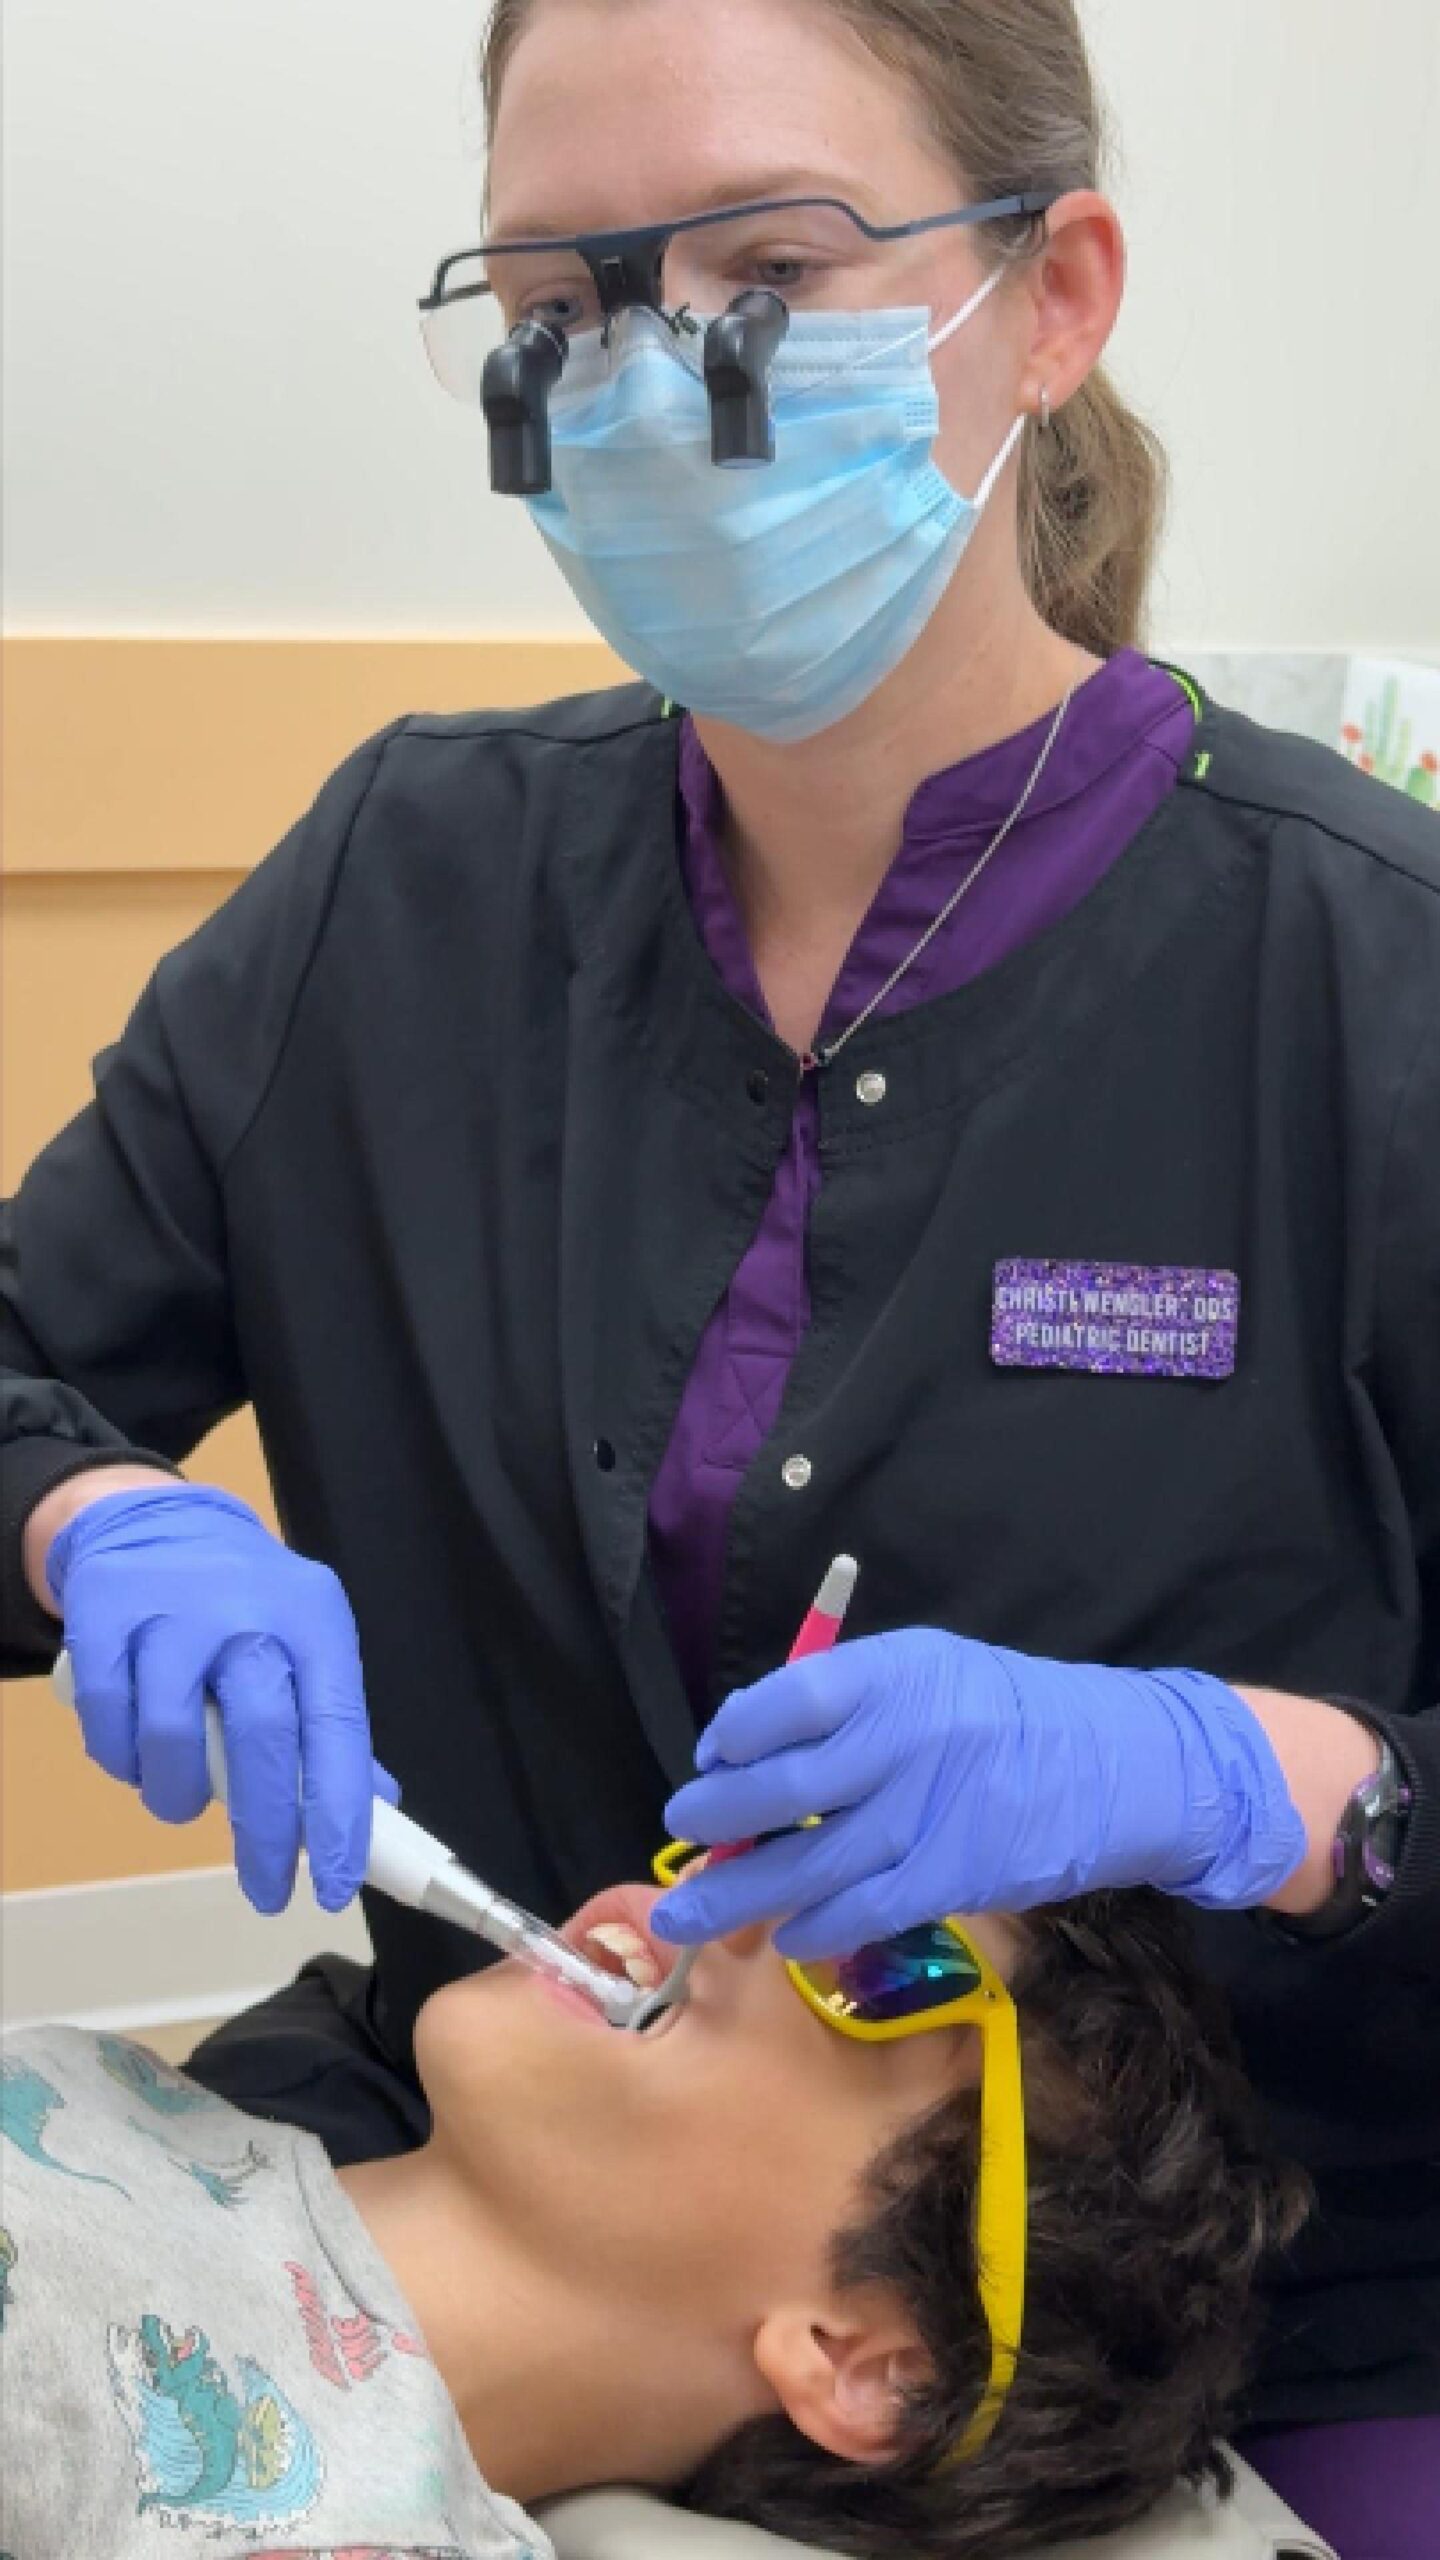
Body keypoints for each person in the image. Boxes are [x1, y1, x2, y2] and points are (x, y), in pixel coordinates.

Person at [1, 1, 1435, 2550]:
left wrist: (1278, 1782)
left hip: (1249, 2318)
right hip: (444, 2187)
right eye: (561, 303)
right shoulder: (403, 895)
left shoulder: (1370, 991)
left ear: (1056, 292)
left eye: (772, 262)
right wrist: (89, 1523)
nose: (651, 378)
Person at [0, 1879, 1302, 2559]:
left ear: (865, 2362)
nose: (723, 1911)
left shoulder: (310, 2529)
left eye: (878, 1955)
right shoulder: (133, 2101)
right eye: (776, 1854)